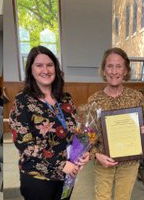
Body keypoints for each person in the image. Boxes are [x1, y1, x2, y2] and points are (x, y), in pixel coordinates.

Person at [9, 46, 89, 200]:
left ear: (56, 68)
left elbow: (75, 131)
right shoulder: (23, 100)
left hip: (67, 173)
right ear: (31, 70)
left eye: (49, 65)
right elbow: (24, 144)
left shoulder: (66, 98)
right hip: (38, 175)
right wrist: (61, 164)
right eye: (39, 65)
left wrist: (84, 152)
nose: (45, 70)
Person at [88, 48, 144, 200]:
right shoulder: (94, 100)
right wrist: (96, 155)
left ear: (125, 71)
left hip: (129, 160)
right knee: (102, 197)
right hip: (103, 158)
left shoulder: (136, 97)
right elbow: (88, 135)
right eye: (110, 66)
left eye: (119, 66)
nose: (114, 71)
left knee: (123, 197)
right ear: (104, 70)